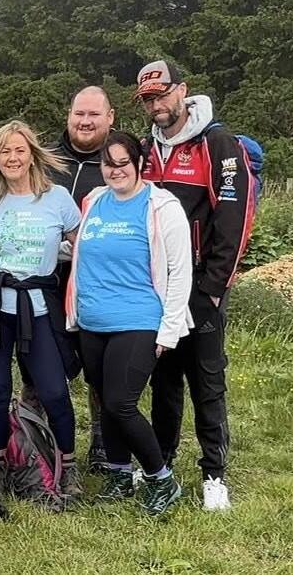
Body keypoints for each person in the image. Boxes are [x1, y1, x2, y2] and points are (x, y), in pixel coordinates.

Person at [136, 60, 254, 511]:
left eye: (162, 94)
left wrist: (212, 290)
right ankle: (162, 465)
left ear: (182, 90)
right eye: (147, 99)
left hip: (202, 286)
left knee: (208, 383)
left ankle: (214, 475)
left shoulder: (219, 144)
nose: (156, 104)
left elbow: (235, 221)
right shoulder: (146, 149)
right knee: (163, 383)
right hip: (158, 289)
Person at [65, 130, 192, 515]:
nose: (115, 170)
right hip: (92, 320)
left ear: (139, 164)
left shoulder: (162, 207)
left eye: (123, 163)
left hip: (138, 319)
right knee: (105, 402)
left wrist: (169, 329)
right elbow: (77, 250)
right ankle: (119, 474)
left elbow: (180, 271)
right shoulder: (94, 201)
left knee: (122, 403)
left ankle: (161, 478)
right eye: (108, 163)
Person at [0, 121, 83, 499]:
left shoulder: (58, 198)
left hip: (40, 306)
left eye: (19, 150)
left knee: (53, 391)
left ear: (32, 153)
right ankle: (2, 464)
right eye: (4, 151)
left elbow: (83, 248)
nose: (12, 158)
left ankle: (68, 466)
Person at [46, 84, 116, 469]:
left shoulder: (119, 160)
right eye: (79, 114)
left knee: (99, 366)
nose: (85, 121)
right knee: (42, 364)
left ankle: (103, 444)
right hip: (48, 278)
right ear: (68, 116)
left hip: (98, 279)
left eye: (93, 114)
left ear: (110, 118)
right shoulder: (46, 159)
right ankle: (40, 442)